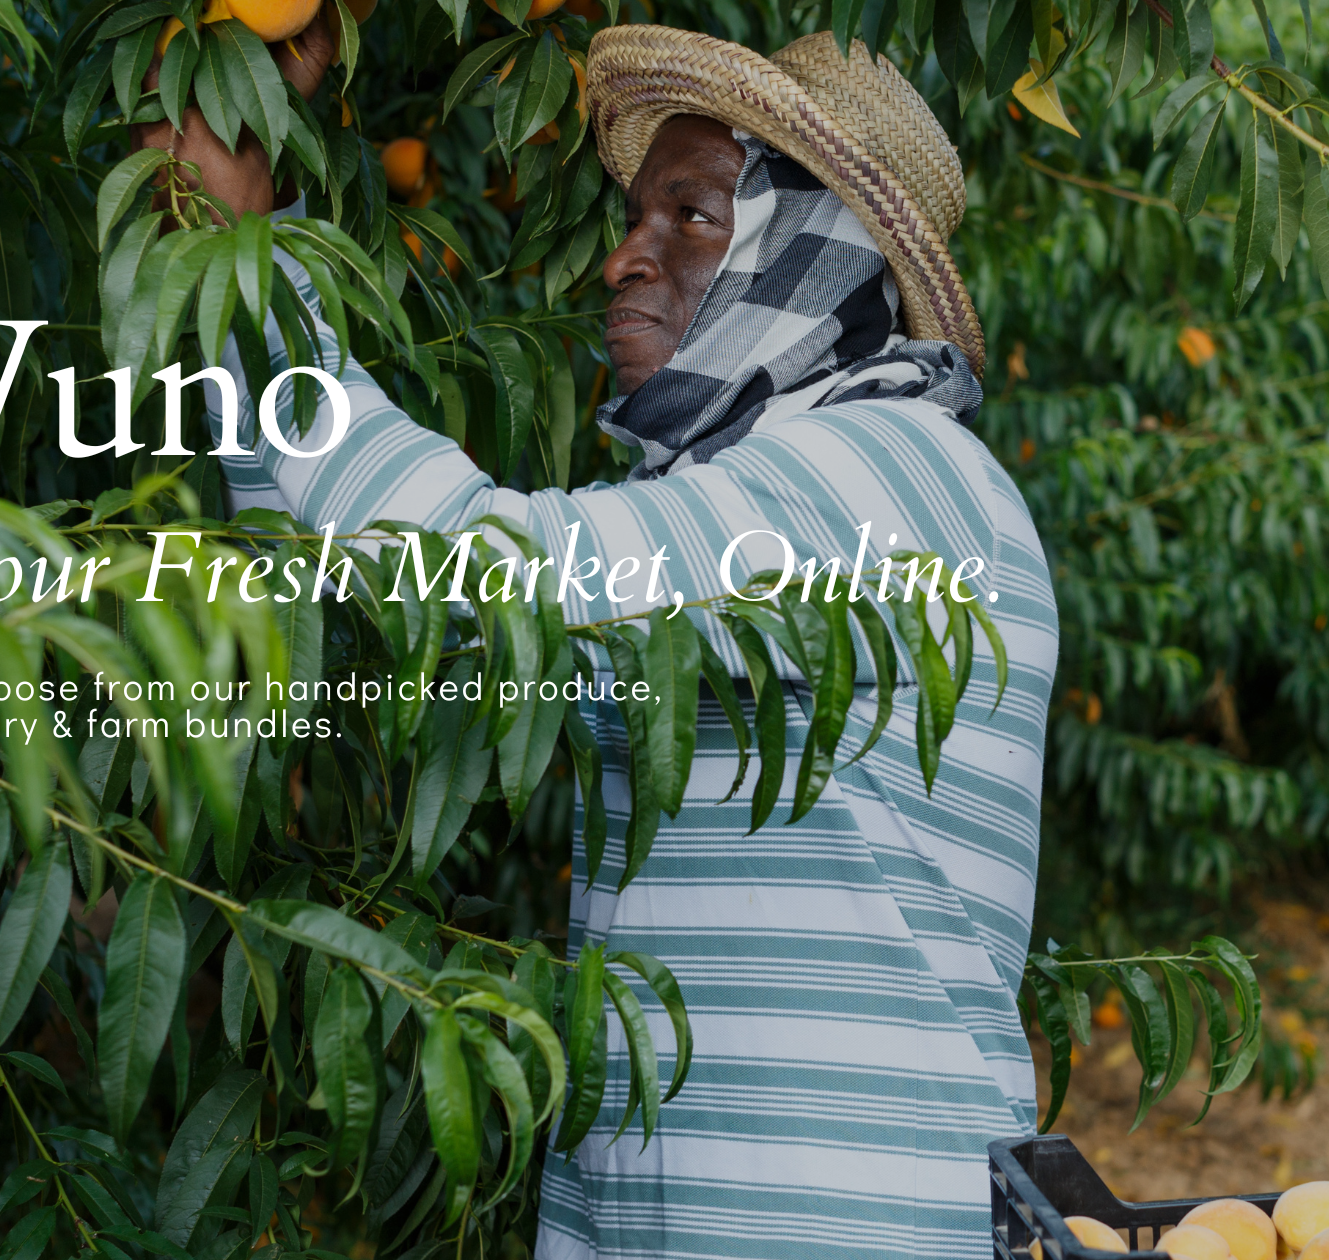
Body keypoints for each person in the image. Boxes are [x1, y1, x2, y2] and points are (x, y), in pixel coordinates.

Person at [145, 22, 1058, 1259]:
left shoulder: (886, 467)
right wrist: (219, 267)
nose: (624, 257)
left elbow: (481, 573)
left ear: (816, 246)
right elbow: (366, 593)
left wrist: (243, 253)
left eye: (690, 216)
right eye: (637, 215)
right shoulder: (744, 514)